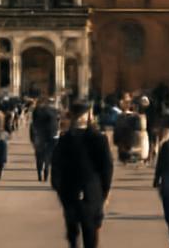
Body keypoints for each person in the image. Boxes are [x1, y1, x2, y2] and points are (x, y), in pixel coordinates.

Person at [52, 101, 115, 248]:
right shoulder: (99, 138)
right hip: (92, 191)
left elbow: (56, 166)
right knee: (90, 233)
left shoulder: (65, 139)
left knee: (73, 233)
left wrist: (59, 188)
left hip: (69, 191)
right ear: (88, 116)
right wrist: (105, 191)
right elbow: (107, 168)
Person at [32, 98, 62, 183]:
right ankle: (46, 172)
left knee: (39, 156)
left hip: (40, 135)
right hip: (52, 136)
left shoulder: (37, 110)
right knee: (48, 156)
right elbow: (58, 122)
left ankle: (39, 174)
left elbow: (34, 124)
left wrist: (33, 139)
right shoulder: (54, 111)